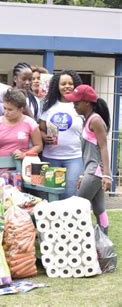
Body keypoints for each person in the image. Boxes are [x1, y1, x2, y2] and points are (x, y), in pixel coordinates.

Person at [66, 85, 112, 234]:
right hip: (91, 171)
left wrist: (106, 175)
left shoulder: (95, 120)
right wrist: (83, 174)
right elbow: (89, 153)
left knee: (77, 208)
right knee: (99, 210)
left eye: (76, 102)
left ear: (87, 102)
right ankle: (104, 245)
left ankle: (77, 241)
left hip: (95, 172)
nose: (74, 105)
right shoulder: (87, 120)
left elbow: (104, 147)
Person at [39, 70, 84, 199]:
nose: (67, 86)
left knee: (70, 193)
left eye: (70, 83)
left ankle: (70, 219)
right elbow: (40, 129)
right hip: (51, 157)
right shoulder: (49, 106)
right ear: (57, 87)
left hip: (74, 157)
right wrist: (43, 136)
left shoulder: (80, 105)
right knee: (51, 193)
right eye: (63, 84)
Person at [0, 88, 42, 162]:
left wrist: (25, 154)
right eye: (4, 108)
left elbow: (38, 146)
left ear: (21, 109)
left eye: (10, 110)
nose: (6, 112)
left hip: (22, 165)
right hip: (1, 166)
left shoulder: (30, 123)